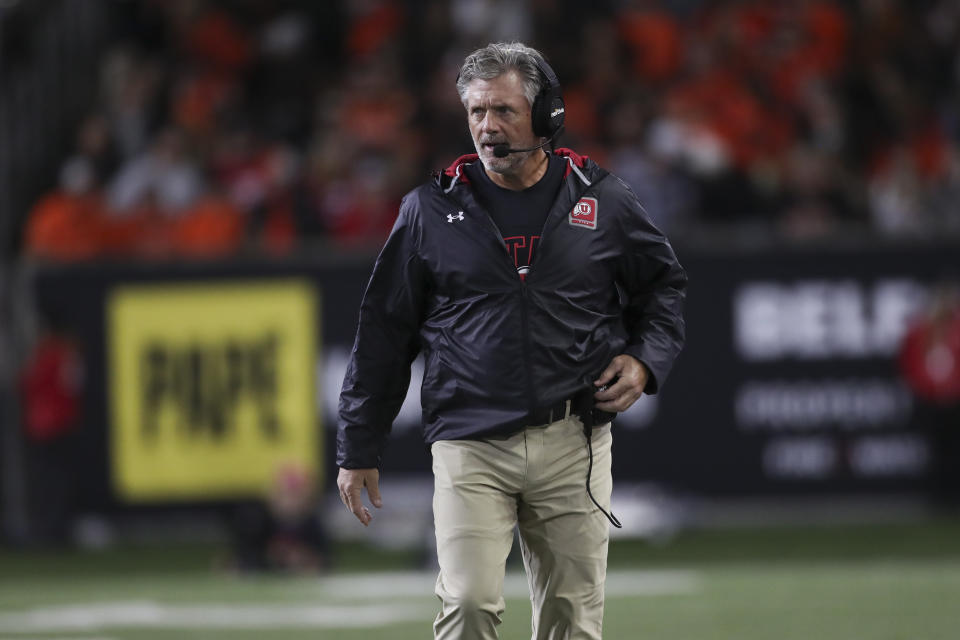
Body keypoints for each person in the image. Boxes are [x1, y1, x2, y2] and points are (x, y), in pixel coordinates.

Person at [337, 42, 686, 639]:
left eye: (502, 110)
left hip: (573, 437)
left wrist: (645, 359)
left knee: (572, 621)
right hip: (470, 442)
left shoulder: (602, 199)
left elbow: (664, 289)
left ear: (546, 114)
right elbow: (383, 334)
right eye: (476, 112)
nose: (487, 127)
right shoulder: (427, 210)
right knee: (469, 603)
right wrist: (358, 444)